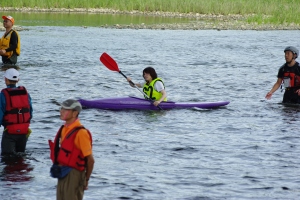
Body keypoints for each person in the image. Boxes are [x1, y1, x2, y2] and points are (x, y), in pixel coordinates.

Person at [49, 99, 94, 200]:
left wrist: (86, 180)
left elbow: (90, 160)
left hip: (74, 174)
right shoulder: (64, 128)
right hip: (62, 171)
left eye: (65, 110)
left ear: (74, 113)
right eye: (61, 108)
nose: (61, 111)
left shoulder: (81, 133)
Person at [0, 68, 33, 155]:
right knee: (20, 157)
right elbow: (30, 111)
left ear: (5, 79)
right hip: (24, 132)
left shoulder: (3, 95)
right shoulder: (25, 93)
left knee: (7, 158)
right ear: (18, 79)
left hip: (10, 132)